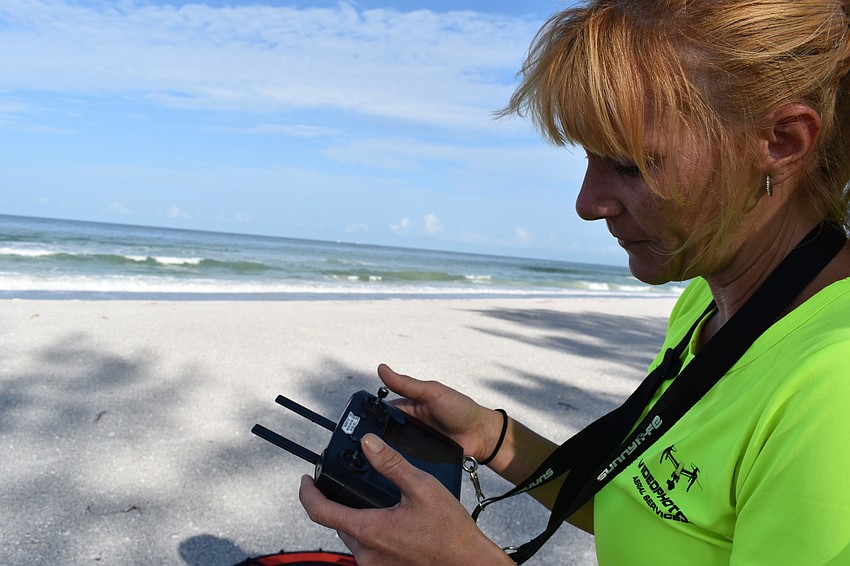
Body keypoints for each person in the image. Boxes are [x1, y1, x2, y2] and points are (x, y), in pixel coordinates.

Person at [299, 1, 850, 564]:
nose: (587, 204)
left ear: (782, 142)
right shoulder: (705, 305)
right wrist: (491, 437)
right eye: (589, 160)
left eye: (630, 164)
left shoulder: (834, 382)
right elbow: (648, 510)